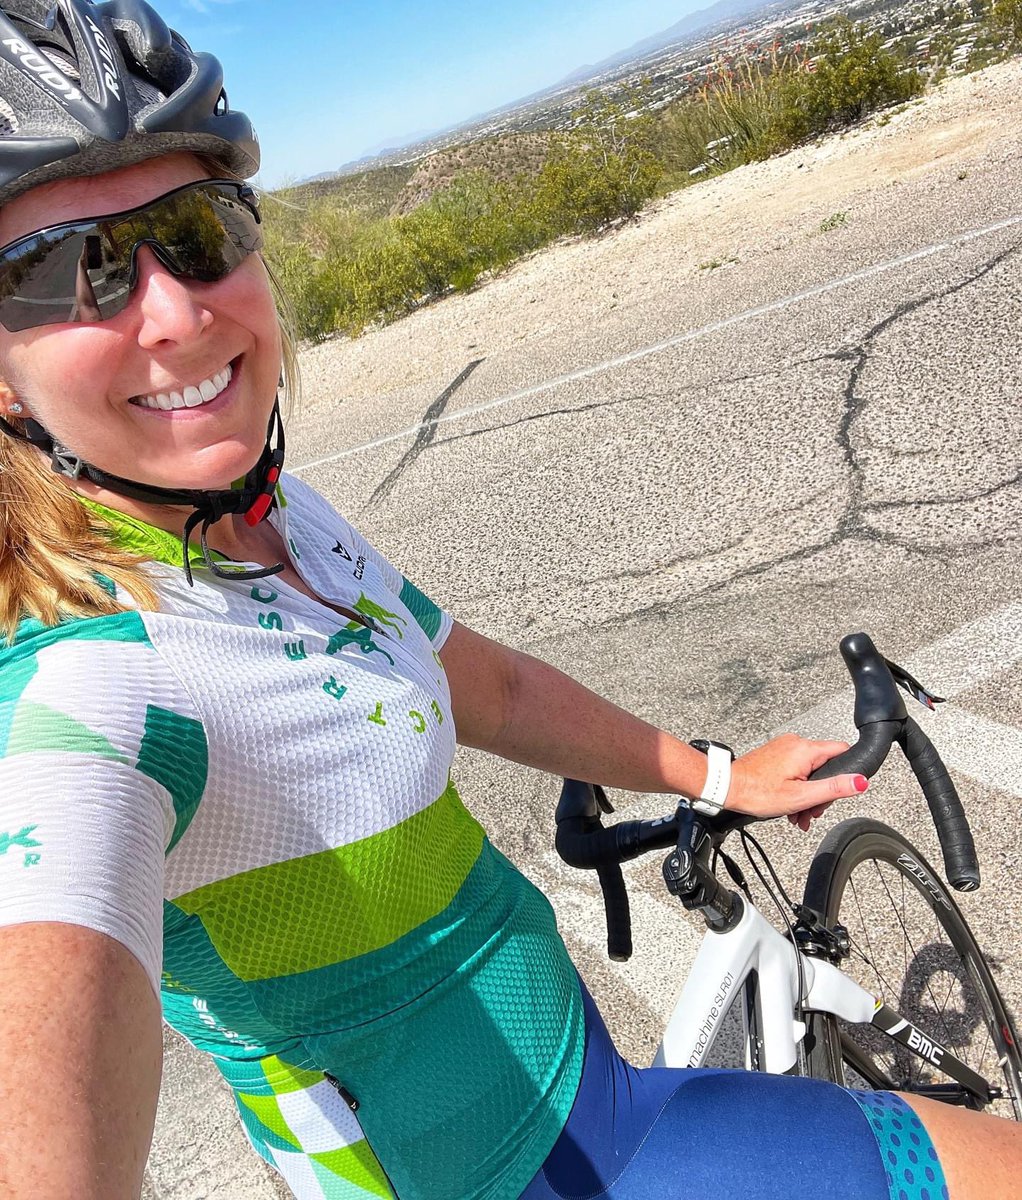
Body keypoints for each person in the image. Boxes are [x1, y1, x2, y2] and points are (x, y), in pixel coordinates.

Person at [0, 3, 1017, 1199]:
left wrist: (713, 774)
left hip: (589, 1089)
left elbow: (487, 681)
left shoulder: (273, 517)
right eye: (72, 271)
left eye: (196, 230)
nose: (173, 311)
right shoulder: (84, 690)